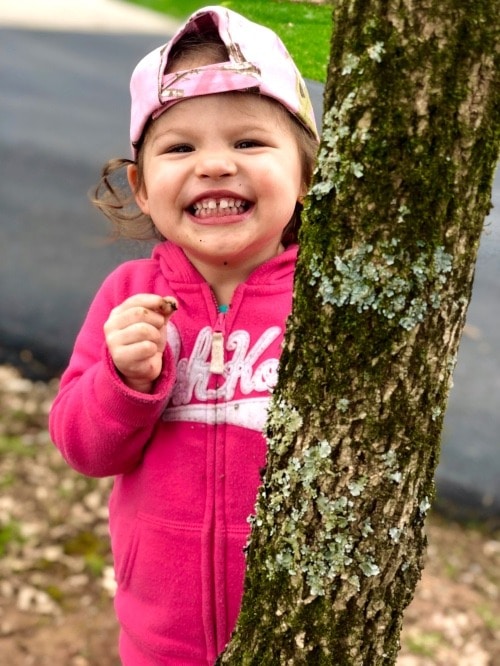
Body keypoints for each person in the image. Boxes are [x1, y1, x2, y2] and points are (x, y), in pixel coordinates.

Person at [49, 6, 319, 665]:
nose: (215, 165)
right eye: (180, 147)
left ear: (306, 174)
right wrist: (122, 380)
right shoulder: (129, 299)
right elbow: (83, 448)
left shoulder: (322, 303)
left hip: (300, 634)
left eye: (249, 143)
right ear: (141, 187)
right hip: (159, 642)